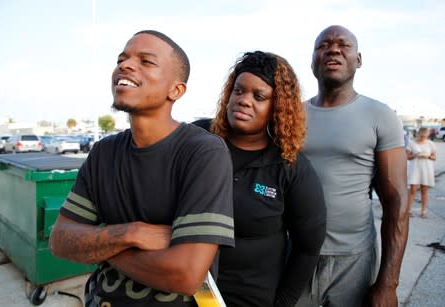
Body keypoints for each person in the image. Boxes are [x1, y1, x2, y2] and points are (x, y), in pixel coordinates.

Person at [49, 30, 235, 307]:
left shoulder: (203, 152)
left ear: (176, 90)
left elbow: (186, 276)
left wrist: (98, 247)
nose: (125, 65)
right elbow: (60, 241)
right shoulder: (104, 152)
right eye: (121, 59)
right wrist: (131, 233)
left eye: (146, 61)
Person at [194, 51, 326, 307]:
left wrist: (282, 304)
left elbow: (308, 248)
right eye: (238, 91)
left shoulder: (290, 166)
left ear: (278, 107)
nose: (243, 101)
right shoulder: (198, 138)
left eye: (259, 96)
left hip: (251, 298)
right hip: (183, 292)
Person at [296, 25, 409, 307]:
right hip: (295, 254)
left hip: (354, 259)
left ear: (358, 60)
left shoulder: (380, 115)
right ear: (312, 60)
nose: (333, 49)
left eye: (343, 45)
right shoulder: (292, 115)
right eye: (323, 45)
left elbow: (397, 201)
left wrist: (388, 283)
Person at [406, 126, 436, 218]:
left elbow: (434, 157)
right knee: (413, 190)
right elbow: (407, 157)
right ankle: (409, 210)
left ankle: (423, 211)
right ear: (418, 134)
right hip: (415, 169)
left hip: (426, 169)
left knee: (424, 191)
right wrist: (415, 155)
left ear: (428, 134)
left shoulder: (431, 144)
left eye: (425, 136)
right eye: (421, 136)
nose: (423, 137)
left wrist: (428, 157)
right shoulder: (412, 143)